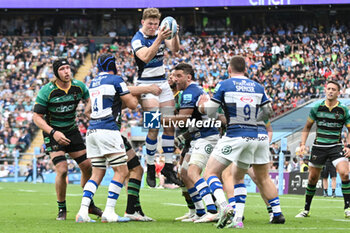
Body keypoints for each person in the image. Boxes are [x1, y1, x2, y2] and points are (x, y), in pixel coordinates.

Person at [199, 55, 285, 229]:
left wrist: (205, 105)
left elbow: (210, 113)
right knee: (244, 177)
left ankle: (224, 207)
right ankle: (243, 218)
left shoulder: (225, 84)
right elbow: (268, 110)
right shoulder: (258, 86)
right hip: (255, 136)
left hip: (235, 135)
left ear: (229, 70)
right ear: (245, 69)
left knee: (210, 173)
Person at [33, 58, 102, 220]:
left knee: (87, 166)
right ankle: (62, 208)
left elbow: (91, 97)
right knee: (62, 169)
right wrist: (53, 133)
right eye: (62, 69)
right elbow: (36, 117)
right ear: (56, 73)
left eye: (68, 68)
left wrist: (87, 109)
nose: (66, 71)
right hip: (53, 133)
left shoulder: (78, 86)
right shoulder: (47, 91)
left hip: (71, 131)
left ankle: (89, 204)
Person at [76, 54, 138, 223]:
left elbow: (87, 111)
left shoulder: (93, 82)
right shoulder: (116, 79)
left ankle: (82, 212)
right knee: (122, 171)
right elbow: (132, 104)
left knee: (97, 173)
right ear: (113, 65)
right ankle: (109, 212)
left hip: (92, 131)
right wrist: (140, 92)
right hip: (108, 129)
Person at [163, 63, 220, 223]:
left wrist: (157, 119)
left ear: (188, 77)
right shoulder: (187, 92)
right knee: (183, 173)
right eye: (174, 76)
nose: (175, 79)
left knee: (191, 172)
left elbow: (182, 119)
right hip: (196, 137)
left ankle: (211, 210)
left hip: (206, 137)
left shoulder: (190, 93)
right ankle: (199, 211)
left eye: (178, 76)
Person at [131, 8, 181, 187]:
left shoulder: (160, 33)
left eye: (155, 24)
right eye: (150, 23)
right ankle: (150, 166)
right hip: (146, 86)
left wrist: (174, 33)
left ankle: (168, 166)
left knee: (169, 126)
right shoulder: (137, 39)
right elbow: (144, 57)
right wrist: (159, 38)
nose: (153, 27)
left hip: (162, 84)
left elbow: (174, 49)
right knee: (153, 127)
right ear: (143, 22)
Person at [295, 80, 350, 218]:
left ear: (338, 93)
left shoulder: (344, 109)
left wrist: (348, 146)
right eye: (328, 88)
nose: (330, 91)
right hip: (319, 146)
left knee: (344, 173)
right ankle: (306, 209)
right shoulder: (317, 108)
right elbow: (307, 127)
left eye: (333, 89)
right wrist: (302, 144)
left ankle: (347, 208)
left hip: (336, 146)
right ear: (325, 91)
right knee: (313, 178)